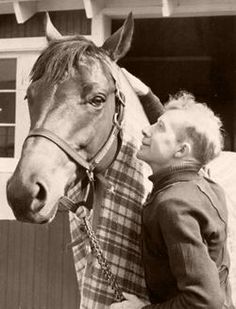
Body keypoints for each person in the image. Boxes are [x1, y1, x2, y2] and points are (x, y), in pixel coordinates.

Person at [110, 73, 235, 309]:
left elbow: (204, 301)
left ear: (181, 151)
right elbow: (192, 143)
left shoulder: (173, 205)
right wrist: (147, 96)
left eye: (159, 127)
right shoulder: (204, 185)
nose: (146, 131)